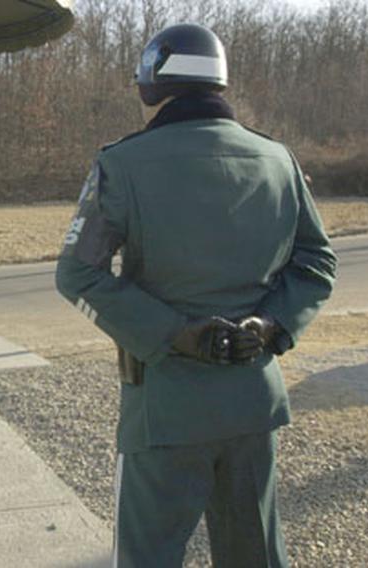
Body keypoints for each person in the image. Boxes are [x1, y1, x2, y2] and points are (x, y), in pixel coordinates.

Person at [55, 23, 336, 567]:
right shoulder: (277, 160)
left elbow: (77, 274)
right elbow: (317, 261)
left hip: (166, 408)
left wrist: (172, 335)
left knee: (149, 556)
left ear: (151, 84)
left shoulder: (123, 165)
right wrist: (272, 326)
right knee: (254, 554)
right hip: (252, 402)